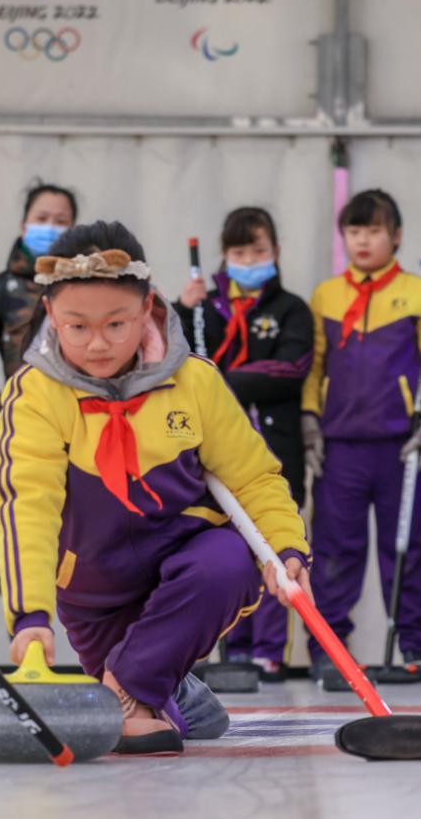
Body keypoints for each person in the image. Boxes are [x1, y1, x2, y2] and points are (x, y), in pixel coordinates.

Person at [0, 222, 309, 755]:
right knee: (172, 709)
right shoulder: (35, 393)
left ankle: (138, 687)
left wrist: (286, 548)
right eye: (77, 327)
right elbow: (27, 504)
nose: (98, 344)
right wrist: (30, 616)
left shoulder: (195, 381)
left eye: (117, 324)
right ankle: (170, 686)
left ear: (147, 308)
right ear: (50, 314)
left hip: (184, 577)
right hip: (97, 593)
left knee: (230, 559)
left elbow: (253, 477)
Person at [302, 189, 421, 668]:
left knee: (408, 548)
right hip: (340, 447)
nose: (363, 241)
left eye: (373, 231)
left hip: (402, 446)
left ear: (396, 236)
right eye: (354, 231)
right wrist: (310, 420)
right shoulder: (326, 295)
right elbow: (313, 365)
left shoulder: (419, 293)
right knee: (333, 551)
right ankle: (329, 652)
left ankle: (415, 645)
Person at [176, 206, 314, 680]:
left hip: (274, 448)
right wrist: (182, 309)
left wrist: (218, 384)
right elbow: (175, 362)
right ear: (223, 255)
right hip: (212, 458)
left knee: (275, 544)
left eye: (258, 251)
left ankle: (268, 650)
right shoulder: (202, 307)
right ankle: (232, 649)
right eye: (239, 252)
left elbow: (290, 369)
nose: (249, 260)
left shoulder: (291, 309)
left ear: (276, 251)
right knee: (226, 549)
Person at [0, 184, 79, 426]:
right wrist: (3, 414)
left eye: (61, 221)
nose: (50, 228)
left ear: (74, 230)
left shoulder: (92, 285)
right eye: (41, 219)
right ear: (24, 226)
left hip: (88, 424)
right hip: (27, 427)